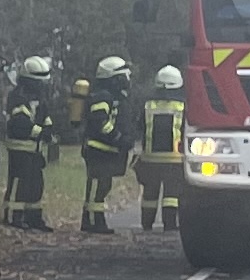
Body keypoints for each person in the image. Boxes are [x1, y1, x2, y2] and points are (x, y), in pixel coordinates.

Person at [77, 55, 137, 234]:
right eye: (124, 76)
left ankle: (95, 220)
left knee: (103, 185)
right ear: (114, 78)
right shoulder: (102, 96)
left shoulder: (114, 97)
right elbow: (100, 122)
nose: (127, 80)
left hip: (107, 150)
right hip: (98, 150)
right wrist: (118, 137)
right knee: (97, 185)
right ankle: (92, 222)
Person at [1, 55, 61, 232]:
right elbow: (21, 122)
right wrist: (40, 132)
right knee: (18, 183)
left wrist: (49, 129)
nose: (43, 85)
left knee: (36, 184)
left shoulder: (39, 98)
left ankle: (33, 218)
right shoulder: (17, 97)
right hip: (19, 148)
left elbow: (45, 116)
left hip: (35, 149)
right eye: (39, 81)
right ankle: (13, 216)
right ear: (30, 81)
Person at [138, 63, 188, 231]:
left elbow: (140, 127)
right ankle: (170, 224)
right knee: (172, 194)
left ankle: (146, 224)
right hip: (174, 159)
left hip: (150, 158)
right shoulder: (183, 105)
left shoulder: (148, 105)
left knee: (150, 194)